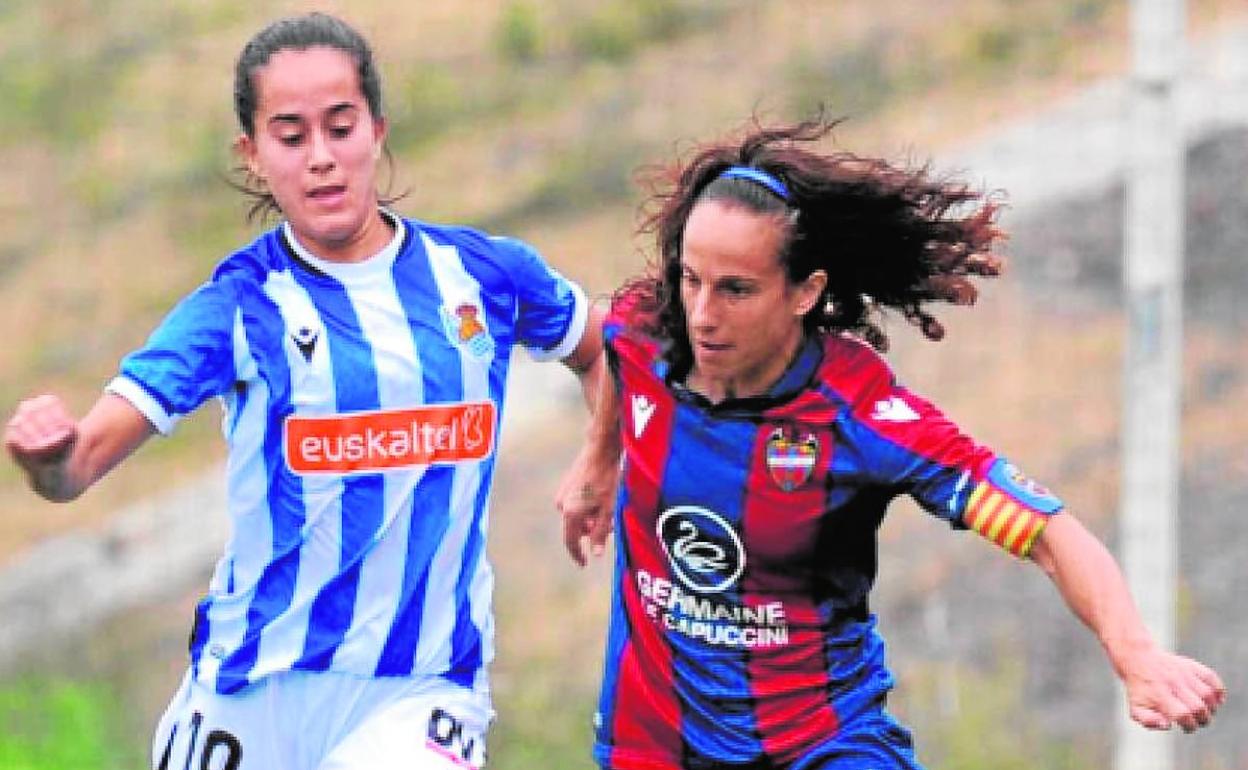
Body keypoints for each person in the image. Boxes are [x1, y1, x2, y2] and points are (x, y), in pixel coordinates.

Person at [4, 12, 603, 770]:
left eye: (340, 127)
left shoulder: (483, 276)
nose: (321, 157)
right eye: (291, 136)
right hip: (252, 687)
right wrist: (47, 456)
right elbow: (77, 469)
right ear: (252, 155)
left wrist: (601, 457)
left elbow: (604, 347)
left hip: (421, 688)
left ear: (378, 131)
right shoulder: (238, 307)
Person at [556, 116, 1225, 770]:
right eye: (691, 278)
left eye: (736, 289)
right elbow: (617, 347)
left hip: (819, 743)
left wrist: (1136, 654)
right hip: (655, 740)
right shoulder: (648, 329)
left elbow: (1047, 532)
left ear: (805, 292)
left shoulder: (863, 415)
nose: (702, 313)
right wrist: (598, 459)